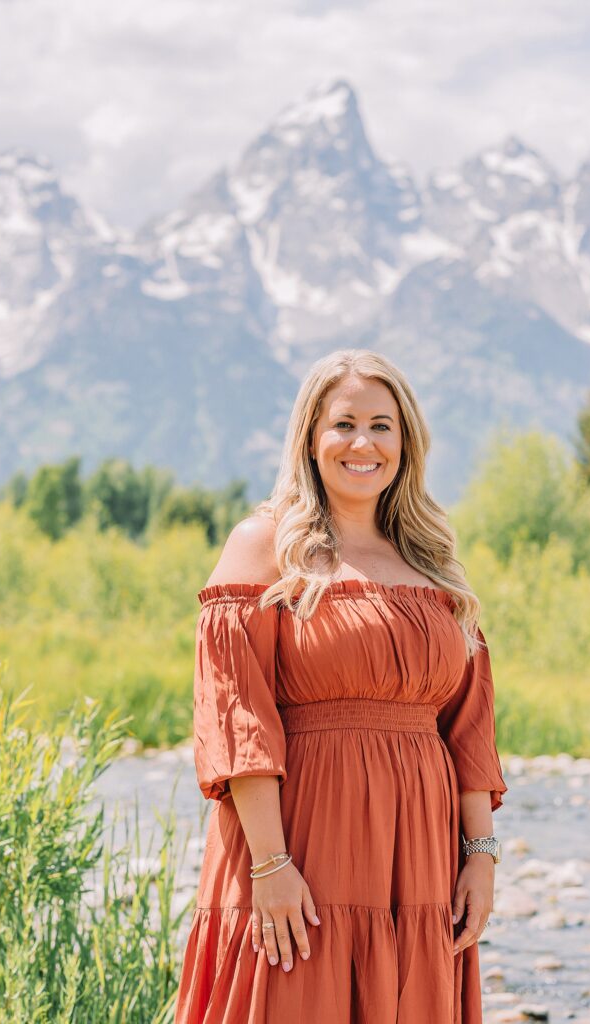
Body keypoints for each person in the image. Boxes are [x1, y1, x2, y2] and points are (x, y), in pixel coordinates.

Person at [174, 349, 508, 1023]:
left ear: (406, 441)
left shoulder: (431, 560)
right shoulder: (263, 545)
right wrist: (270, 866)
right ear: (311, 437)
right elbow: (239, 717)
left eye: (382, 425)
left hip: (418, 857)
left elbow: (469, 727)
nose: (364, 443)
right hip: (301, 840)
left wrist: (480, 857)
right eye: (344, 423)